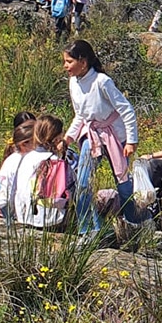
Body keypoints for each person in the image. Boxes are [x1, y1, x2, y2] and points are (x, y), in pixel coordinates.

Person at [63, 39, 140, 233]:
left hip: (115, 136)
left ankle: (133, 223)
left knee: (122, 182)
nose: (66, 66)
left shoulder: (102, 81)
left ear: (83, 61)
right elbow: (80, 114)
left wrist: (131, 140)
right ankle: (89, 229)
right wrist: (68, 138)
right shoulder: (74, 82)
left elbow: (126, 110)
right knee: (82, 183)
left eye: (69, 62)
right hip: (92, 135)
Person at [12, 114, 68, 229]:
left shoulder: (26, 157)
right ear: (57, 138)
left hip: (24, 215)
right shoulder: (55, 161)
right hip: (50, 219)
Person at [0, 120, 35, 218]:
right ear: (24, 144)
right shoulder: (26, 160)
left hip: (1, 205)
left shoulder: (12, 158)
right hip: (11, 210)